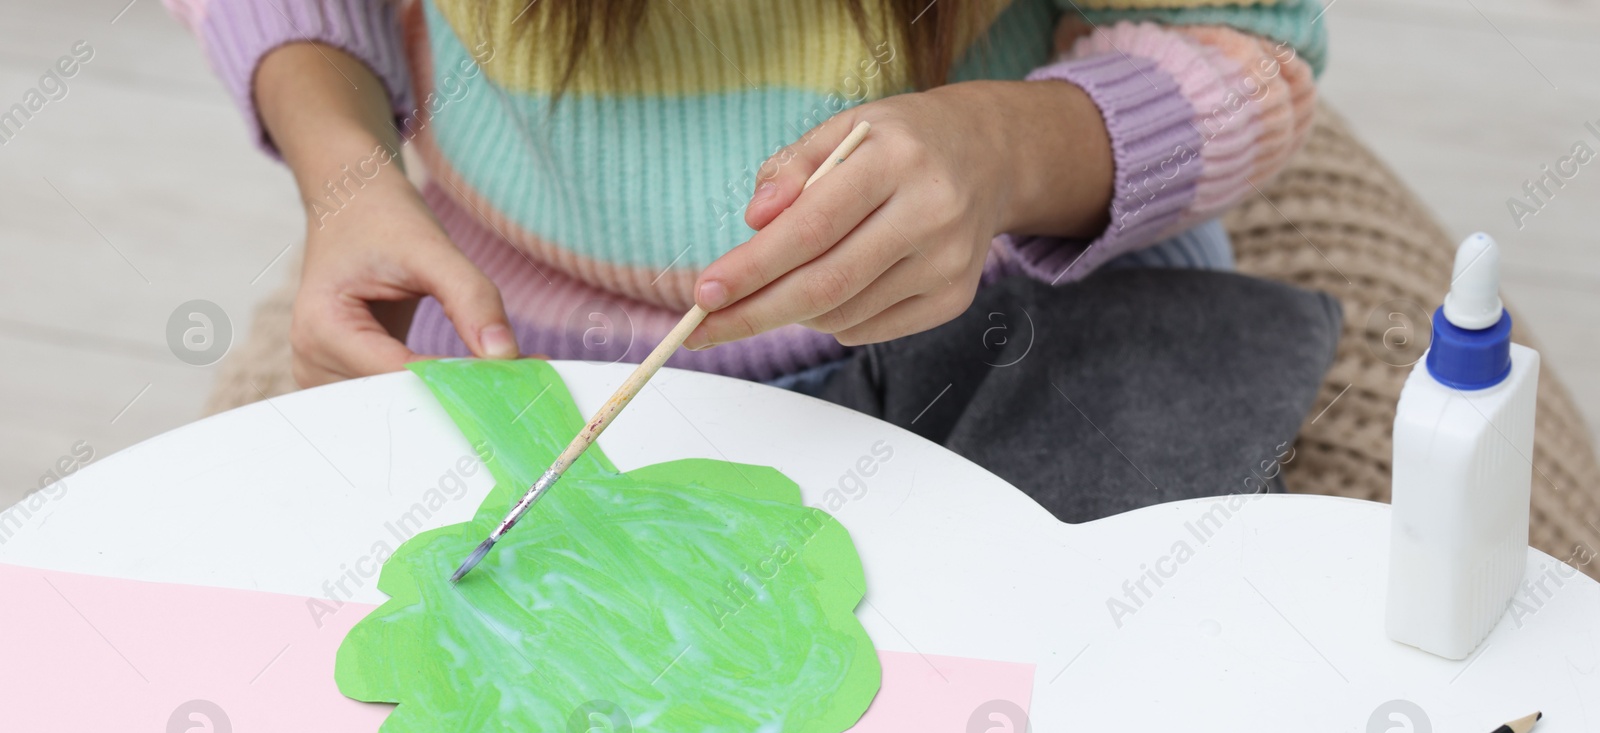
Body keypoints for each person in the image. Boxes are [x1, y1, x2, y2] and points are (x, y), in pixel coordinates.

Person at [166, 0, 1338, 520]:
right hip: (537, 360)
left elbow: (1251, 44)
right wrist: (345, 173)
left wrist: (1000, 153)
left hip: (1024, 329)